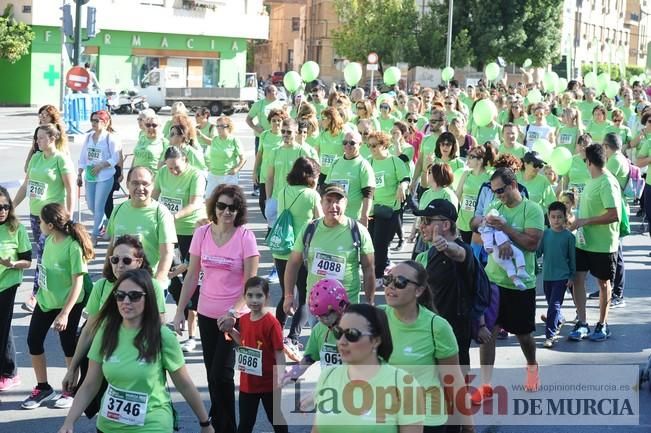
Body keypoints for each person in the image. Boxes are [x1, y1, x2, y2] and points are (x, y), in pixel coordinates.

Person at [57, 269, 214, 433]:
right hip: (108, 426)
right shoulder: (104, 333)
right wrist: (69, 422)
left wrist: (205, 423)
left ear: (148, 299)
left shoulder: (162, 336)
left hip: (152, 425)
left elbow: (184, 384)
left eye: (134, 296)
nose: (126, 301)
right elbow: (90, 384)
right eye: (120, 295)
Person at [173, 184, 259, 433]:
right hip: (207, 315)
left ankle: (226, 427)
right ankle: (218, 423)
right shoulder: (202, 234)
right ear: (214, 207)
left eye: (233, 207)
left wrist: (233, 313)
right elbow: (191, 276)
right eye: (221, 206)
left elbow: (250, 286)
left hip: (234, 319)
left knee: (222, 374)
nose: (227, 211)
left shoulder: (245, 237)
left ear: (239, 210)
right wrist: (179, 311)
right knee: (212, 374)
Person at [470, 168, 544, 403]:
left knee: (523, 335)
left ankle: (532, 367)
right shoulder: (496, 208)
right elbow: (477, 230)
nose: (497, 195)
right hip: (493, 282)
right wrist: (487, 231)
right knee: (487, 334)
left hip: (521, 285)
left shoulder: (531, 210)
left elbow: (532, 244)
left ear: (513, 185)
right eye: (494, 191)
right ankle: (486, 384)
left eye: (500, 190)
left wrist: (507, 232)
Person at [61, 235, 167, 395]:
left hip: (138, 361)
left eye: (126, 260)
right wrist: (72, 369)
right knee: (105, 408)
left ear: (139, 262)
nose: (119, 265)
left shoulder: (153, 287)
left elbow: (159, 330)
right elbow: (89, 330)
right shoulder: (101, 286)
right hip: (106, 359)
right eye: (115, 260)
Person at [382, 261, 474, 433]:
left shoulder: (437, 326)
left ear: (419, 290)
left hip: (426, 418)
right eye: (388, 280)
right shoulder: (376, 318)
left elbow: (453, 379)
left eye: (400, 282)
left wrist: (468, 425)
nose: (391, 286)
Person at [22, 203, 94, 409]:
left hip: (68, 303)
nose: (39, 224)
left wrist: (64, 313)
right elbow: (43, 271)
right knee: (33, 341)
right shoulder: (47, 240)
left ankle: (70, 389)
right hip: (46, 301)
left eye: (42, 221)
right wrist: (36, 294)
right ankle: (43, 387)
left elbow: (78, 283)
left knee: (68, 345)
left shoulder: (73, 246)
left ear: (51, 225)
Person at [311, 303, 424, 433]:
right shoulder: (328, 376)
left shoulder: (404, 385)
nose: (342, 341)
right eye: (338, 332)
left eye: (352, 334)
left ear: (376, 340)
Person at [13, 123, 76, 313]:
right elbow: (26, 186)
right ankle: (51, 292)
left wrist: (69, 215)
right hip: (35, 214)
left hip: (52, 216)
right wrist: (11, 208)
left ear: (52, 138)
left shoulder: (61, 160)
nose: (37, 141)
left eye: (41, 138)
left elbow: (71, 189)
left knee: (41, 255)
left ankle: (35, 295)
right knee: (45, 256)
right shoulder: (36, 158)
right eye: (36, 138)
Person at [283, 185, 375, 310]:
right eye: (329, 201)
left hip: (346, 307)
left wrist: (370, 303)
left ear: (346, 203)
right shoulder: (309, 229)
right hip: (316, 305)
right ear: (321, 203)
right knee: (317, 331)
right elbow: (293, 263)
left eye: (338, 201)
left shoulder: (359, 231)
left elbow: (368, 268)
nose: (333, 206)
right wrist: (289, 296)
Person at [413, 200, 477, 373]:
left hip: (454, 330)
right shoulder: (428, 253)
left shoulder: (463, 250)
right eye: (421, 222)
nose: (422, 226)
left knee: (456, 383)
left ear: (446, 224)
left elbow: (459, 253)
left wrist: (446, 246)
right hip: (428, 327)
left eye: (427, 221)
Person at [153, 146, 206, 352]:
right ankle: (180, 314)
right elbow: (155, 196)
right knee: (171, 276)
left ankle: (192, 334)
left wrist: (171, 216)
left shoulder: (196, 176)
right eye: (169, 167)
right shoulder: (162, 173)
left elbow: (194, 204)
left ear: (185, 160)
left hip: (190, 230)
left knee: (192, 276)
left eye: (176, 168)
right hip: (168, 233)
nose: (172, 171)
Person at [568, 143, 621, 342]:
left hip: (603, 245)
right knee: (578, 280)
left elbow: (614, 214)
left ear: (589, 162)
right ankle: (582, 322)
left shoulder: (607, 182)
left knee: (603, 283)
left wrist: (585, 221)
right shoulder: (592, 179)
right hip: (583, 242)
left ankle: (602, 324)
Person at [273, 157, 323, 352]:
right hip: (303, 251)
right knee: (303, 295)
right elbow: (320, 221)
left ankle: (275, 333)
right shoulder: (312, 195)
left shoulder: (283, 191)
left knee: (286, 294)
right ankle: (293, 338)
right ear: (312, 176)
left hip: (282, 250)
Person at [226, 277, 288, 433]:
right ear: (244, 296)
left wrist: (281, 374)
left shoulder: (271, 323)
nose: (254, 300)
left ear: (267, 297)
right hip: (248, 383)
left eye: (259, 296)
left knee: (276, 420)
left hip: (269, 383)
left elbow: (279, 351)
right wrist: (231, 331)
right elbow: (244, 342)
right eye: (250, 295)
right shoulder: (244, 319)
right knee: (246, 423)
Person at [106, 166, 176, 283]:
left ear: (153, 186)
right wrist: (107, 275)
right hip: (120, 281)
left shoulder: (161, 213)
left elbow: (167, 253)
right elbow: (112, 246)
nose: (140, 188)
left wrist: (157, 284)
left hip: (148, 281)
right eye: (135, 183)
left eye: (145, 184)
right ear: (127, 184)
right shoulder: (118, 209)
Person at [367, 132, 410, 287]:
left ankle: (378, 275)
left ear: (384, 145)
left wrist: (402, 186)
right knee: (371, 243)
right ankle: (384, 263)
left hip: (389, 209)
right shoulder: (368, 162)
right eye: (369, 145)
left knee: (380, 242)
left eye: (374, 145)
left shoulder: (394, 161)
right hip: (372, 209)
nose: (371, 148)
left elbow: (405, 179)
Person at [0, 187, 32, 391]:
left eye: (5, 206)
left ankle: (10, 373)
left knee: (3, 329)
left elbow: (28, 261)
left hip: (8, 285)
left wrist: (11, 264)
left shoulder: (16, 228)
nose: (2, 210)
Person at [77, 110, 122, 245]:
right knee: (91, 205)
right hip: (90, 175)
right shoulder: (89, 137)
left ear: (105, 122)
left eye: (97, 121)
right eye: (92, 120)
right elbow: (83, 156)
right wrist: (79, 173)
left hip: (105, 175)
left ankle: (95, 235)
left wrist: (102, 165)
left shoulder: (110, 138)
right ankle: (107, 223)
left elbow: (116, 157)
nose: (94, 123)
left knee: (99, 205)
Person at [265, 118, 318, 225]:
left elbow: (314, 177)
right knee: (275, 234)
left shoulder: (302, 151)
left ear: (296, 132)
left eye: (289, 132)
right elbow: (270, 177)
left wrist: (308, 195)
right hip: (276, 198)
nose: (285, 134)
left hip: (295, 199)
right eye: (283, 131)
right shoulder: (275, 151)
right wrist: (268, 199)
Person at [538, 202, 575, 348]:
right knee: (551, 304)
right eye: (553, 217)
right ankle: (558, 319)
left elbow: (572, 258)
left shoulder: (569, 237)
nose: (556, 220)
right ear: (548, 217)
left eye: (559, 217)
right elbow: (538, 252)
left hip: (562, 277)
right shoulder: (545, 234)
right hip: (547, 276)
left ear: (565, 217)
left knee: (554, 305)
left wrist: (571, 276)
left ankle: (550, 335)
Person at [324, 130, 375, 226]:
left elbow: (368, 194)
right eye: (345, 142)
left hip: (352, 219)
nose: (348, 145)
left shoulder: (363, 165)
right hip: (332, 216)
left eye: (352, 143)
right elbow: (326, 188)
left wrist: (364, 217)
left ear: (360, 144)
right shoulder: (336, 162)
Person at [456, 144, 495, 244]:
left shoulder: (489, 176)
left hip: (480, 223)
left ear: (480, 160)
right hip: (463, 221)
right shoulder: (466, 174)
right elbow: (457, 196)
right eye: (468, 156)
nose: (467, 159)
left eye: (471, 157)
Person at [247, 84, 282, 195]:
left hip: (277, 137)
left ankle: (275, 184)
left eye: (277, 91)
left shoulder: (280, 105)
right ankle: (257, 186)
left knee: (275, 161)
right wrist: (255, 127)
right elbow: (248, 119)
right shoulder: (258, 104)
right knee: (260, 160)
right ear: (267, 93)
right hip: (262, 137)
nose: (276, 93)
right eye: (273, 91)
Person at [253, 108, 286, 219]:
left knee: (277, 203)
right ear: (269, 122)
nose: (276, 123)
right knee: (263, 203)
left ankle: (274, 226)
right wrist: (254, 172)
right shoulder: (264, 135)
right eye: (273, 120)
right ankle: (270, 222)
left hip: (278, 177)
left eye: (279, 120)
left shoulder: (285, 137)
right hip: (264, 176)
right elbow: (259, 155)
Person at [206, 115, 246, 196]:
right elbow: (206, 141)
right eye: (217, 126)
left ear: (229, 127)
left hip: (228, 176)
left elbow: (243, 158)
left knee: (228, 201)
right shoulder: (215, 139)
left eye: (222, 126)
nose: (219, 128)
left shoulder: (234, 140)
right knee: (209, 199)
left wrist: (236, 169)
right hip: (213, 175)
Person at [24, 105, 68, 173]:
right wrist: (27, 162)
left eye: (46, 115)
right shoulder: (38, 130)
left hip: (50, 166)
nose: (42, 117)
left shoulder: (56, 131)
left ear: (52, 117)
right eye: (41, 114)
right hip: (37, 163)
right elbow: (33, 148)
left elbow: (63, 149)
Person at [315, 107, 346, 183]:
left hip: (338, 173)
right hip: (323, 174)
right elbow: (315, 153)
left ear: (330, 119)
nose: (320, 121)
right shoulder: (322, 134)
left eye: (323, 118)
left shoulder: (343, 134)